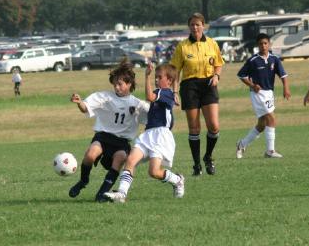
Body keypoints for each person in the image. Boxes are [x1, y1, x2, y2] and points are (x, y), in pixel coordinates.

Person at [69, 59, 149, 202]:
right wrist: (79, 102)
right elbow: (85, 108)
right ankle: (83, 181)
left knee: (120, 158)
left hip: (121, 142)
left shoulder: (137, 104)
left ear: (129, 84)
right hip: (103, 137)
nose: (116, 87)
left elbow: (153, 117)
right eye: (115, 84)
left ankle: (102, 194)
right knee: (90, 155)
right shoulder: (104, 97)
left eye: (120, 84)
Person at [103, 63, 184, 203]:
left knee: (153, 172)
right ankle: (121, 194)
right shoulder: (162, 94)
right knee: (130, 160)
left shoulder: (165, 93)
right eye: (155, 77)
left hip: (160, 136)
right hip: (148, 134)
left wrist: (146, 76)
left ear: (169, 81)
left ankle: (177, 180)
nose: (156, 80)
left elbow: (149, 97)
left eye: (159, 77)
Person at [170, 13, 224, 176]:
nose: (195, 27)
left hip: (208, 84)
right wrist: (174, 91)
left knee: (214, 126)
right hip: (190, 86)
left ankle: (208, 157)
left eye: (198, 24)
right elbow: (175, 71)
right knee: (194, 128)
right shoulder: (182, 46)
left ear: (203, 26)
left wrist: (216, 76)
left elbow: (219, 64)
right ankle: (196, 165)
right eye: (192, 25)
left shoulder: (212, 43)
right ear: (189, 27)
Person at [236, 33, 291, 159]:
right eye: (261, 44)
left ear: (269, 44)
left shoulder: (274, 59)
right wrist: (252, 85)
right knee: (271, 118)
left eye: (265, 43)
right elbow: (241, 75)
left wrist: (286, 88)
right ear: (257, 45)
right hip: (258, 94)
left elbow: (283, 75)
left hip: (269, 93)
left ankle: (241, 144)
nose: (263, 46)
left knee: (261, 124)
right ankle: (270, 151)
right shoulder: (253, 60)